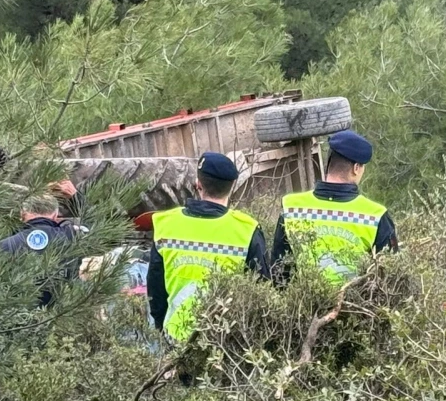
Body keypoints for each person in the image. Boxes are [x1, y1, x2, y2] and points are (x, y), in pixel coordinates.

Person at [147, 152, 269, 341]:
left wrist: (162, 329)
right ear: (231, 187)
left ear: (198, 185)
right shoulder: (246, 230)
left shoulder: (166, 225)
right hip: (226, 344)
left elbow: (155, 291)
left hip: (176, 339)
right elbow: (262, 291)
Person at [271, 130, 397, 285]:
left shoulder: (292, 207)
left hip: (304, 307)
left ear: (329, 162)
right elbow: (391, 278)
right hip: (358, 308)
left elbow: (279, 273)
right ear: (356, 168)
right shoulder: (375, 215)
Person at [0, 194, 80, 307]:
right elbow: (105, 230)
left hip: (11, 318)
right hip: (61, 317)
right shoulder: (76, 239)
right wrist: (75, 196)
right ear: (55, 215)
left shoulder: (4, 245)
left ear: (22, 214)